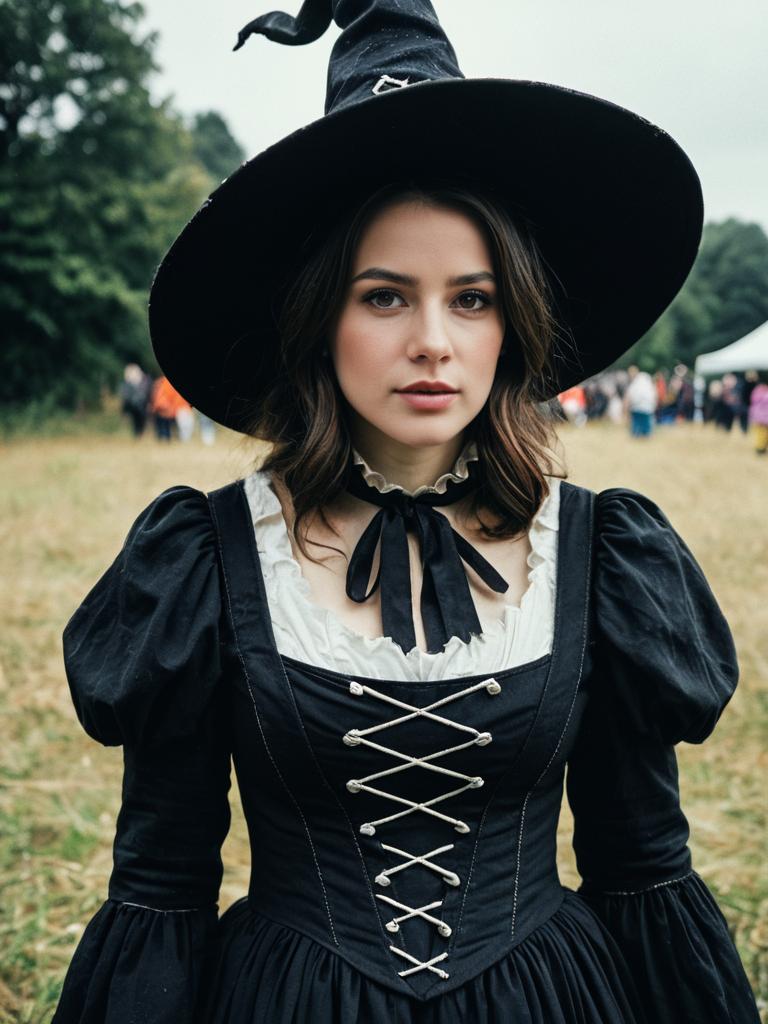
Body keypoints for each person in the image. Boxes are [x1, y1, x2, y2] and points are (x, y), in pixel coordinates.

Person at [52, 2, 760, 1022]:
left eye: (471, 298)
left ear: (512, 321)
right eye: (385, 295)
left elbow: (639, 861)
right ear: (316, 317)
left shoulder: (602, 553)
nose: (434, 340)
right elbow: (163, 879)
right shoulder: (207, 558)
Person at [118, 363, 151, 437]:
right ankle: (138, 435)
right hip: (133, 406)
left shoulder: (144, 382)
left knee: (140, 422)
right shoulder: (129, 384)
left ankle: (139, 435)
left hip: (141, 405)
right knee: (136, 422)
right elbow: (125, 397)